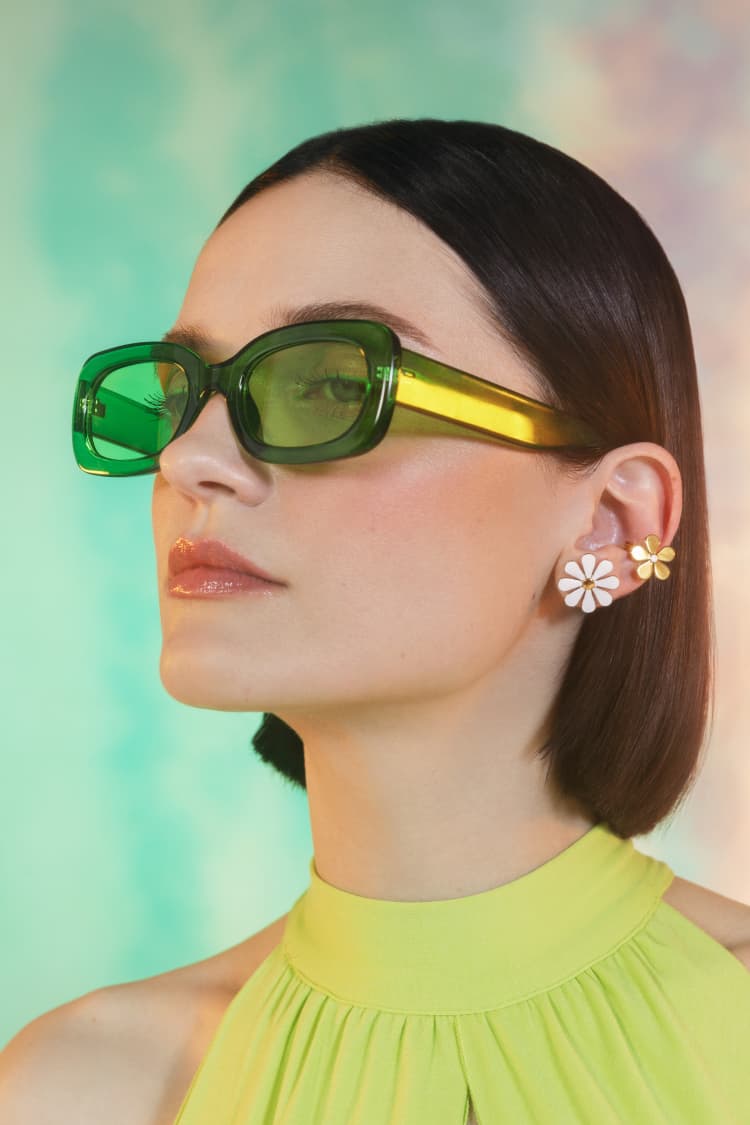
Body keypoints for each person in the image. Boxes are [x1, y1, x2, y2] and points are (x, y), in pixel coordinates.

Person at [2, 117, 749, 1123]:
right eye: (183, 395)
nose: (188, 460)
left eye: (329, 385)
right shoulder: (80, 1089)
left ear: (613, 524)